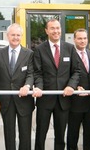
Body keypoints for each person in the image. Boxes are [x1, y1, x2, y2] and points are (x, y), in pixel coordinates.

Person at [32, 19, 81, 150]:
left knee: (60, 135)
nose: (56, 31)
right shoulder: (39, 49)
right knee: (41, 133)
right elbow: (37, 73)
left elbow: (76, 71)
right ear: (46, 31)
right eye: (52, 28)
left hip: (63, 99)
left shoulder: (70, 48)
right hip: (45, 98)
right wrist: (39, 87)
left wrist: (71, 86)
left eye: (58, 28)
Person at [0, 23, 35, 150]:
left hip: (24, 100)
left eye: (18, 35)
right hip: (6, 101)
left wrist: (27, 86)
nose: (15, 37)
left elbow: (31, 74)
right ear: (7, 36)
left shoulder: (29, 53)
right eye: (12, 35)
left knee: (25, 135)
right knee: (9, 134)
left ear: (21, 36)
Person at [67, 28, 90, 150]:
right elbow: (66, 75)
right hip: (75, 101)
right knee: (73, 134)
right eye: (79, 38)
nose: (82, 41)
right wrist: (74, 87)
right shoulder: (69, 54)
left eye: (85, 38)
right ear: (74, 39)